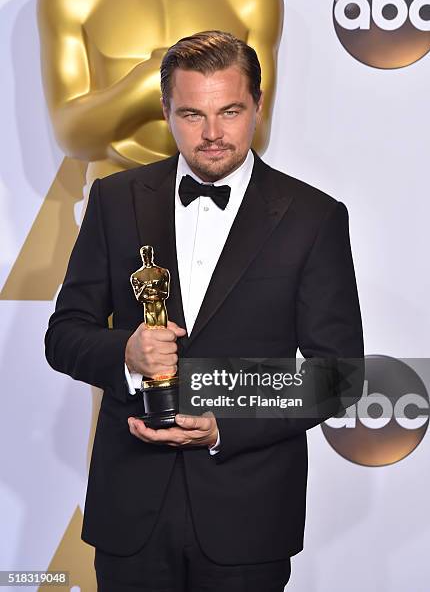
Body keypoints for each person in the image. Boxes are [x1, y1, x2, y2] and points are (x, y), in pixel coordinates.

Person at [45, 30, 364, 591]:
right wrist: (124, 351)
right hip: (130, 513)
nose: (213, 134)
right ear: (166, 111)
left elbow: (337, 375)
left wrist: (226, 426)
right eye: (192, 114)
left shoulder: (314, 217)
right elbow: (64, 333)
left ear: (258, 108)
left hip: (250, 514)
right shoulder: (116, 200)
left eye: (230, 111)